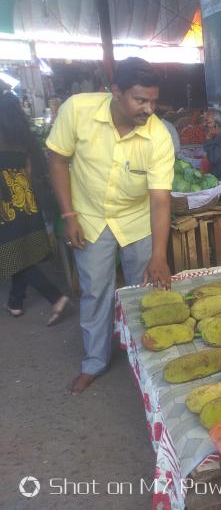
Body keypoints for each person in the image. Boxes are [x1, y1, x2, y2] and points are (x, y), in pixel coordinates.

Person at [47, 57, 174, 395]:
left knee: (142, 292)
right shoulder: (77, 110)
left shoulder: (158, 136)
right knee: (95, 291)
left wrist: (158, 255)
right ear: (115, 92)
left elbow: (161, 199)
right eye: (140, 100)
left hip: (136, 220)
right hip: (88, 217)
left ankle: (143, 359)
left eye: (153, 100)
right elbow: (58, 161)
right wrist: (68, 215)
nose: (149, 109)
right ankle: (94, 362)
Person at [0, 93, 70, 324]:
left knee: (13, 256)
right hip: (26, 203)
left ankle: (56, 297)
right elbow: (30, 172)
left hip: (5, 205)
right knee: (20, 252)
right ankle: (15, 302)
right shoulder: (23, 139)